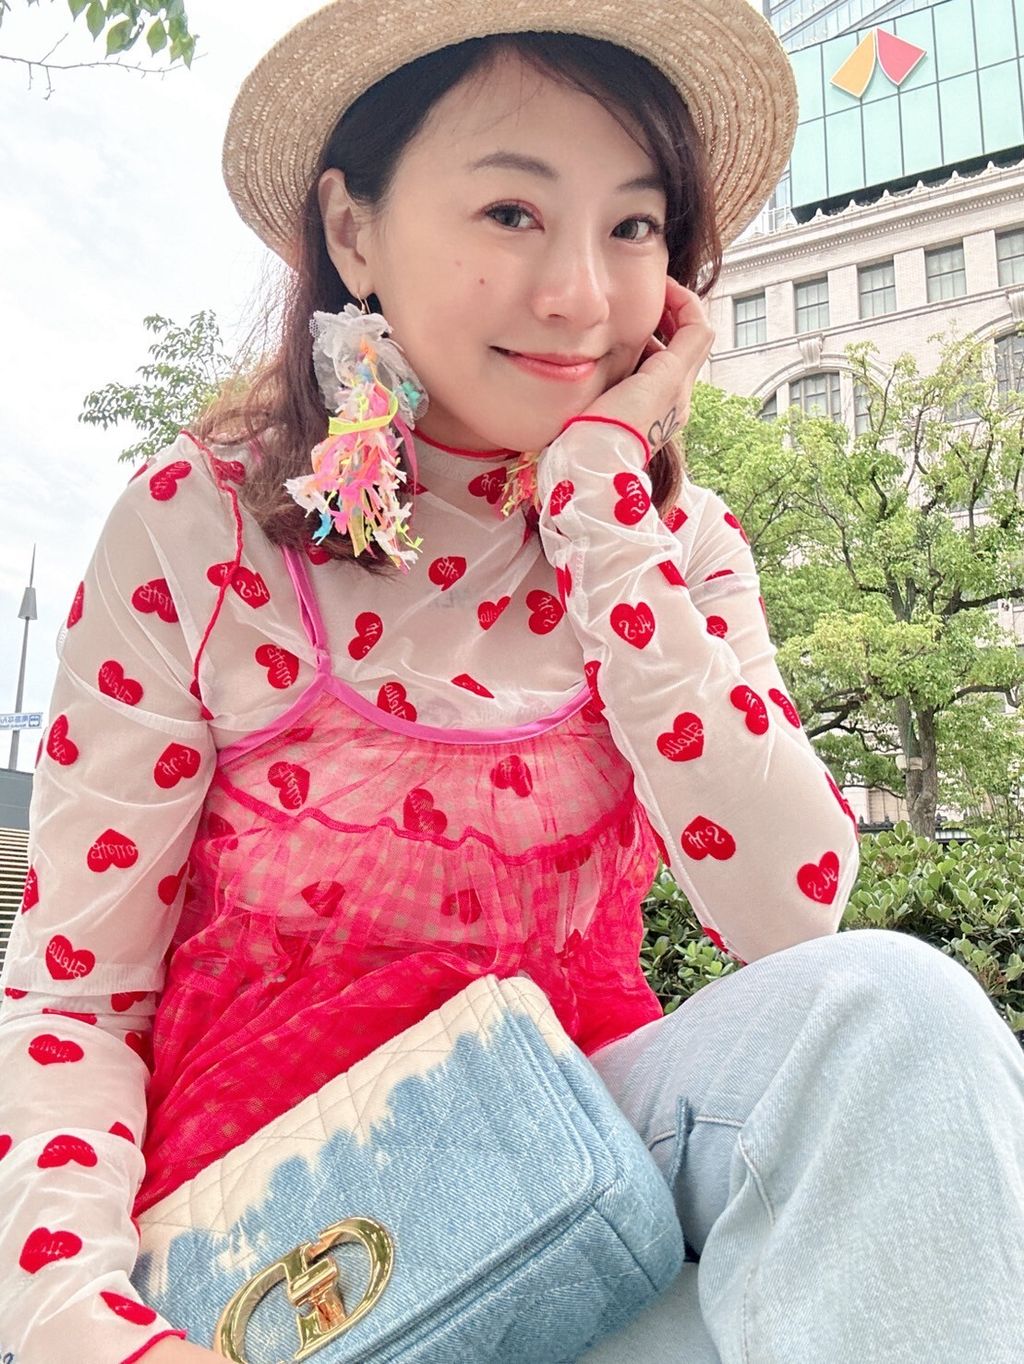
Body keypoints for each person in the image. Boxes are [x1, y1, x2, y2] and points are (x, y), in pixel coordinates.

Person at [2, 1, 1022, 1360]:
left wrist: (603, 504)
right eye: (511, 213)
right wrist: (81, 1323)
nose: (582, 296)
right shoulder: (202, 525)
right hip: (285, 1256)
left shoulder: (672, 546)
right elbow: (78, 998)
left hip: (579, 1190)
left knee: (899, 1017)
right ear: (353, 231)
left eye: (634, 226)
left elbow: (792, 918)